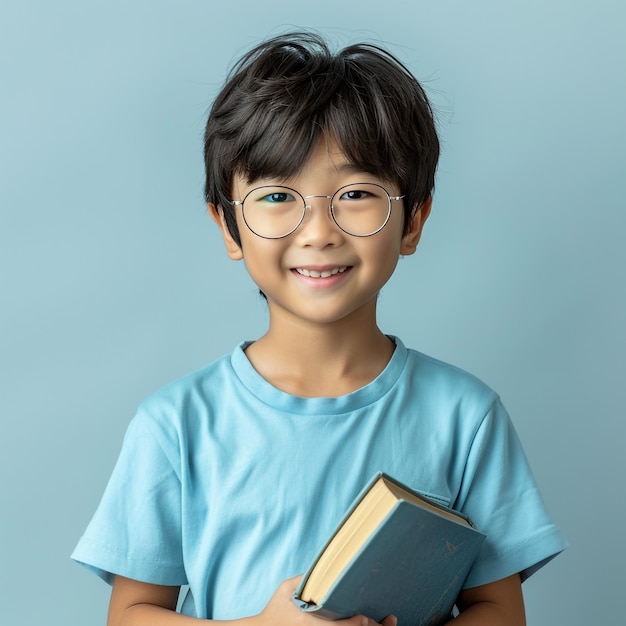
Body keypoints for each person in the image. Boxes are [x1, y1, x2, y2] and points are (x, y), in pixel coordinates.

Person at [72, 32, 568, 626]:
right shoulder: (176, 424)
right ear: (229, 228)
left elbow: (498, 609)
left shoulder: (466, 416)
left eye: (356, 193)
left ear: (413, 222)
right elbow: (129, 613)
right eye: (278, 195)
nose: (318, 231)